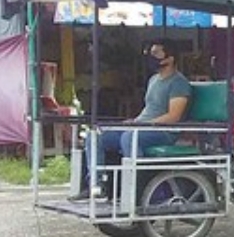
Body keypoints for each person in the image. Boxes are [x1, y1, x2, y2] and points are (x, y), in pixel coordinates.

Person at [72, 39, 193, 201]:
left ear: (170, 59)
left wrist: (143, 124)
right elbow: (149, 109)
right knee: (96, 136)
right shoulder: (153, 80)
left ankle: (136, 188)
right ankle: (97, 184)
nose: (152, 56)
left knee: (129, 138)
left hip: (164, 131)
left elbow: (173, 116)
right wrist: (135, 121)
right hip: (143, 126)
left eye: (156, 53)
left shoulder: (179, 83)